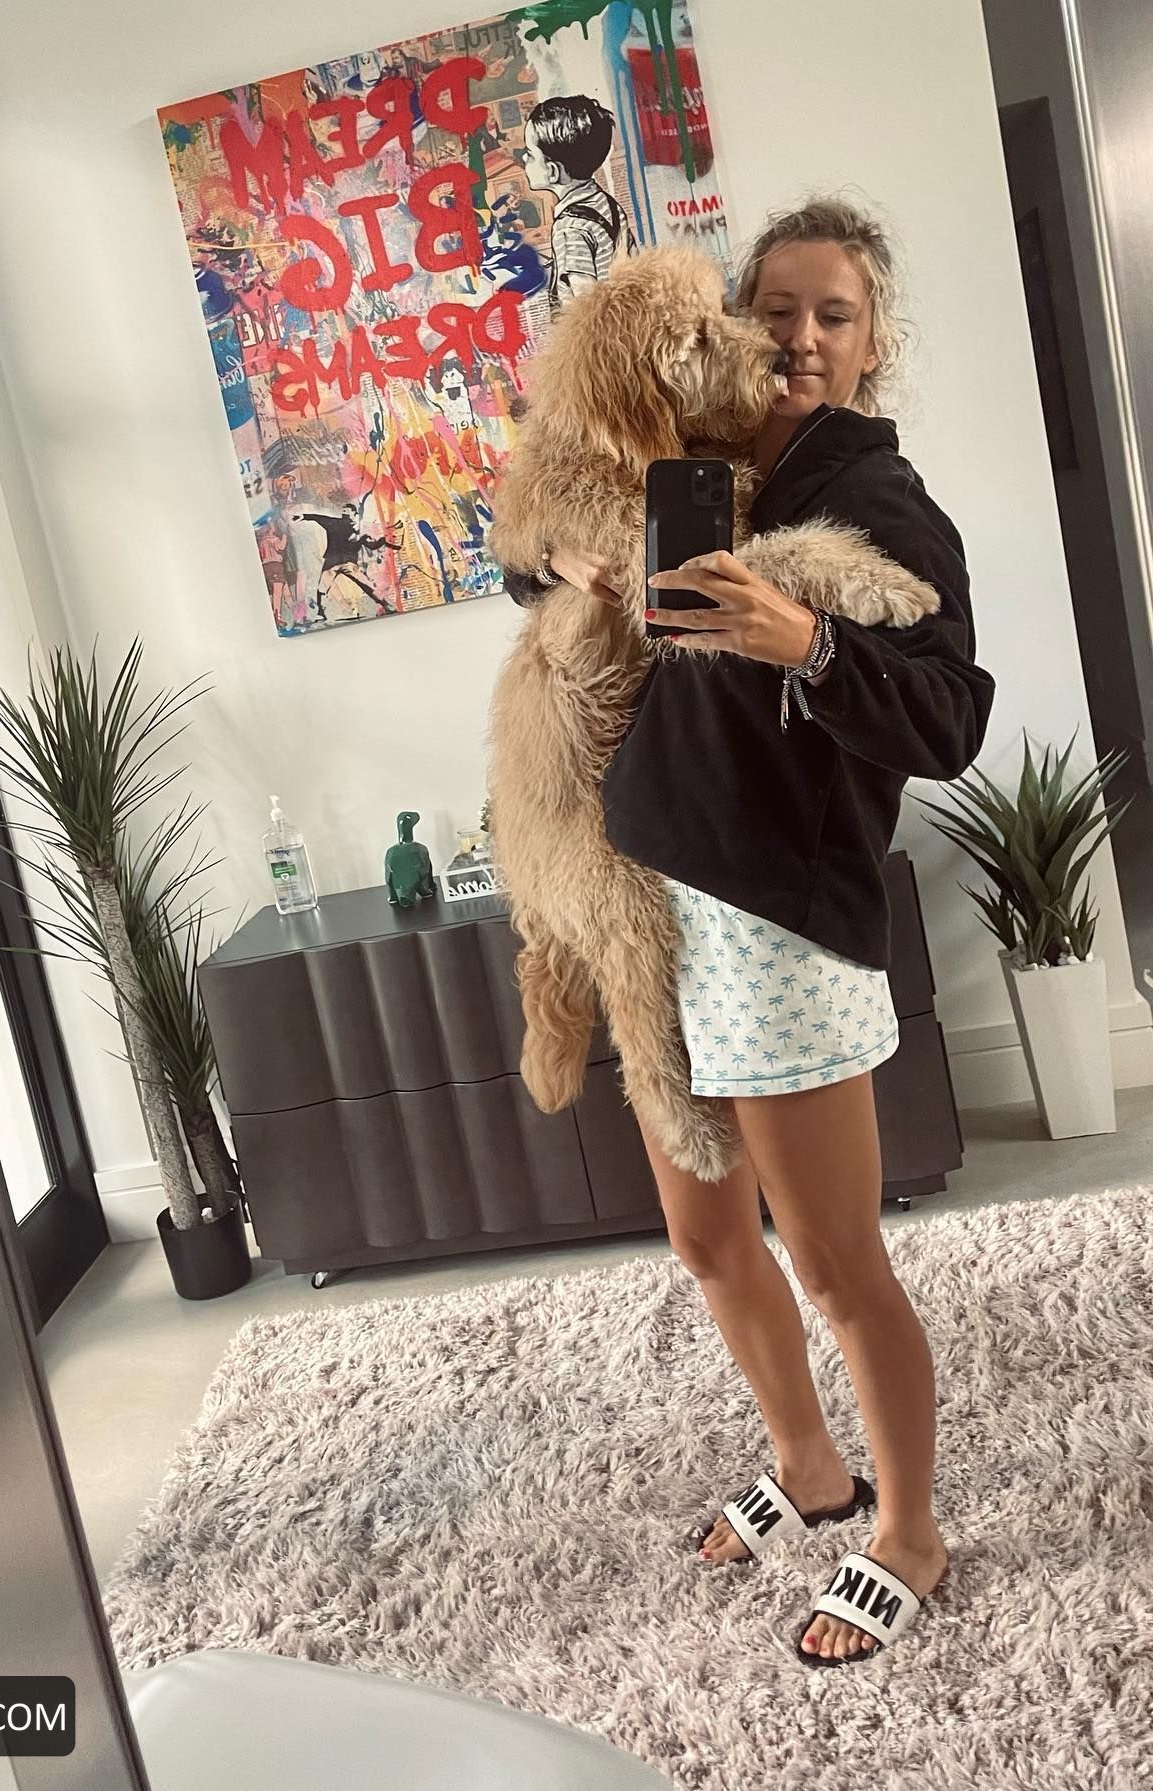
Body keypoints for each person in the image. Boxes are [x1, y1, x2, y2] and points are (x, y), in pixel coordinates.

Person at [502, 197, 996, 1665]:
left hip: (776, 920)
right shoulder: (690, 458)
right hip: (652, 899)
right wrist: (563, 568)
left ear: (871, 339)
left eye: (833, 314)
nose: (799, 336)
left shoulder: (881, 496)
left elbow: (950, 719)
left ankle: (909, 1532)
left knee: (835, 1261)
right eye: (775, 308)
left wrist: (811, 644)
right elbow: (527, 536)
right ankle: (810, 1464)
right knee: (707, 1237)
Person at [521, 95, 637, 311]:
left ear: (553, 171)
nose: (524, 159)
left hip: (594, 327)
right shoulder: (607, 203)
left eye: (530, 154)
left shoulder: (569, 228)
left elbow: (585, 304)